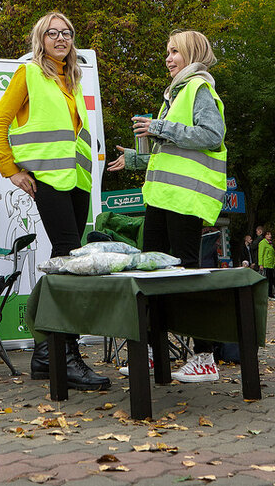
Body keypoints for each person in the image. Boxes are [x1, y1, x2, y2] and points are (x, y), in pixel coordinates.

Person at [0, 11, 109, 390]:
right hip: (51, 182)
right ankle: (64, 354)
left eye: (67, 33)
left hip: (77, 182)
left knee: (66, 260)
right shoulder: (30, 74)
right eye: (53, 33)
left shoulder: (69, 79)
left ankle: (46, 355)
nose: (61, 38)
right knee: (71, 261)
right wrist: (12, 171)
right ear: (40, 38)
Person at [109, 29, 228, 382]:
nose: (168, 57)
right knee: (150, 273)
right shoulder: (174, 95)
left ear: (191, 54)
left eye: (174, 51)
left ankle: (205, 357)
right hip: (162, 198)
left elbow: (212, 135)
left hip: (185, 198)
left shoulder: (199, 88)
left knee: (187, 274)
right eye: (167, 52)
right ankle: (150, 351)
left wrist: (160, 126)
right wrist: (134, 160)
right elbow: (171, 152)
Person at [259, 230, 275, 299]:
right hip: (266, 264)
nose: (270, 235)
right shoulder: (263, 243)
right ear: (265, 236)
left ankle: (270, 294)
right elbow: (261, 254)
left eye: (270, 234)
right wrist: (261, 264)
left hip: (271, 264)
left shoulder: (270, 243)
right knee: (268, 281)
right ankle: (268, 295)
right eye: (268, 234)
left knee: (271, 280)